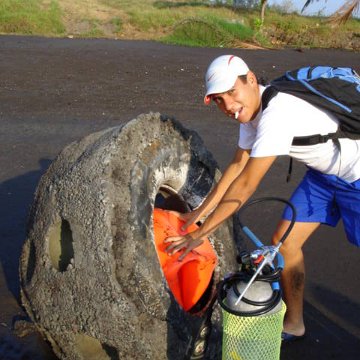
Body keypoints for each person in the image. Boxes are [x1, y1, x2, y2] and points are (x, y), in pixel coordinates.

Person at [164, 54, 360, 342]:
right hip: (323, 176)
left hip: (356, 174)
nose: (228, 105)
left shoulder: (276, 113)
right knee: (285, 242)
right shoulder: (251, 112)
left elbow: (245, 185)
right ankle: (294, 323)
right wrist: (200, 213)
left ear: (251, 80)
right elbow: (237, 165)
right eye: (219, 99)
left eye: (232, 92)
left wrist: (201, 234)